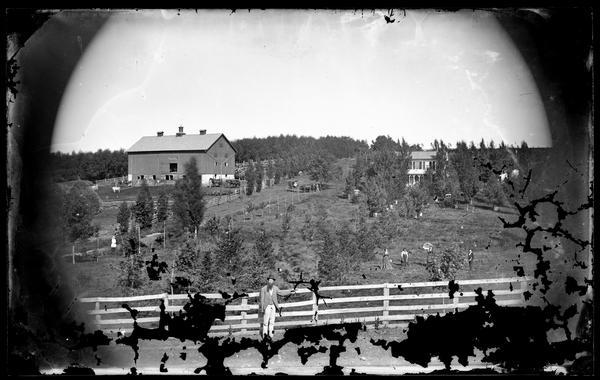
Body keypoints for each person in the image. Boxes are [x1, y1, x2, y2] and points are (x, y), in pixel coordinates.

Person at [259, 275, 295, 341]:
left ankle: (270, 336)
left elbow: (281, 293)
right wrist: (262, 309)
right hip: (266, 307)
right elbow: (262, 299)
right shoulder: (263, 289)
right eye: (270, 280)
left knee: (272, 322)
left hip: (273, 306)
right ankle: (265, 337)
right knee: (265, 322)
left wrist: (290, 291)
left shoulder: (275, 288)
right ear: (268, 280)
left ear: (273, 281)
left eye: (272, 280)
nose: (271, 281)